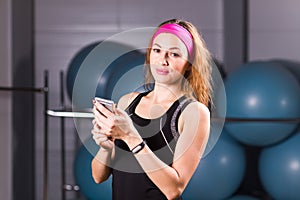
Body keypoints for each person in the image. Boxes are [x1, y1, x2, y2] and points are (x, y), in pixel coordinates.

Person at [91, 18, 213, 200]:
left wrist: (130, 137)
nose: (162, 61)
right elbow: (98, 176)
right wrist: (106, 147)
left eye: (174, 54)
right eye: (157, 50)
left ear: (189, 63)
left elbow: (174, 189)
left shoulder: (193, 112)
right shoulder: (127, 102)